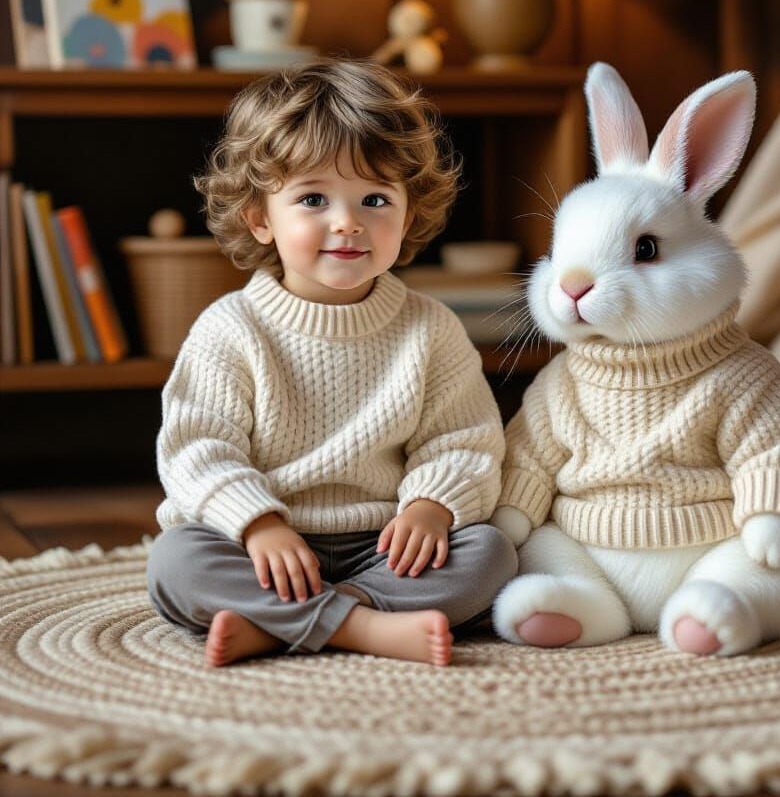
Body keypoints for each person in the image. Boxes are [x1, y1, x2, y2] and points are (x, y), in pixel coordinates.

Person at [146, 59, 516, 668]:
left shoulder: (431, 329)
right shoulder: (230, 329)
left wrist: (432, 506)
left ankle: (290, 624)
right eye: (313, 198)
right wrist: (258, 523)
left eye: (375, 198)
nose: (347, 222)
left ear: (408, 211)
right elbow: (195, 448)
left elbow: (464, 439)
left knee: (490, 552)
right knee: (176, 562)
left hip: (387, 546)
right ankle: (367, 628)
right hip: (261, 545)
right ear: (260, 219)